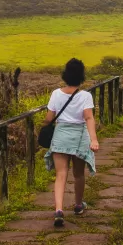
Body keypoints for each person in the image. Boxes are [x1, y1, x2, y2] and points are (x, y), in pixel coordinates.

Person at [43, 58, 99, 227]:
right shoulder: (85, 96)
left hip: (60, 135)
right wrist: (94, 139)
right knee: (78, 174)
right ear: (81, 76)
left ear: (65, 75)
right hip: (79, 137)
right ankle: (78, 205)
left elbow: (48, 118)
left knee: (61, 175)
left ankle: (59, 210)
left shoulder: (55, 94)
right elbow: (88, 117)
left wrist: (45, 127)